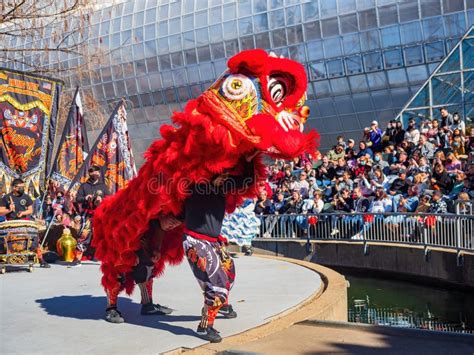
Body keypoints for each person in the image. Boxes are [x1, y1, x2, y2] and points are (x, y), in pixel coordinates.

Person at [182, 152, 258, 343]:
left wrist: (247, 161)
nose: (225, 178)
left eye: (226, 175)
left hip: (214, 242)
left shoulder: (222, 187)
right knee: (216, 285)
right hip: (196, 242)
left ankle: (221, 305)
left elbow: (245, 182)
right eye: (222, 174)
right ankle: (204, 327)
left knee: (229, 272)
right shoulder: (197, 187)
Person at [0, 179, 50, 268]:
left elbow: (30, 210)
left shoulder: (26, 197)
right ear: (14, 188)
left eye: (23, 187)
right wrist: (9, 210)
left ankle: (41, 259)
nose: (22, 189)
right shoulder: (6, 197)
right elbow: (1, 211)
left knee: (34, 239)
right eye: (20, 187)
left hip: (25, 221)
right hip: (11, 223)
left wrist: (23, 213)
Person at [71, 165, 109, 265]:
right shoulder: (84, 185)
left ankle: (101, 256)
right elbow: (77, 198)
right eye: (92, 172)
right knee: (83, 234)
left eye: (96, 172)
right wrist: (85, 198)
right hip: (87, 213)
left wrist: (102, 200)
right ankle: (77, 258)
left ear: (99, 174)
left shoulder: (103, 186)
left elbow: (110, 199)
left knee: (101, 234)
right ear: (89, 173)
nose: (94, 174)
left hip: (100, 213)